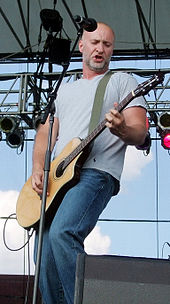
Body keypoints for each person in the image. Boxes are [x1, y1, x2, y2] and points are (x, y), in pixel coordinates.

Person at [32, 22, 147, 304]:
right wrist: (37, 168)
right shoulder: (64, 91)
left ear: (112, 50)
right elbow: (45, 133)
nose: (100, 49)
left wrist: (121, 128)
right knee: (42, 249)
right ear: (81, 45)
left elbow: (139, 130)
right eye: (95, 43)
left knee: (63, 232)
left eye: (107, 45)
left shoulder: (123, 81)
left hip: (97, 172)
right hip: (58, 180)